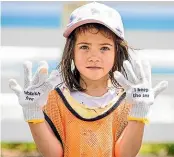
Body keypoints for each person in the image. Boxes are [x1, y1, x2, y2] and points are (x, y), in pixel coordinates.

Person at [9, 2, 168, 157]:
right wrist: (33, 113)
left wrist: (139, 112)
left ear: (117, 52)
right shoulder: (53, 100)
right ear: (71, 51)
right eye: (84, 47)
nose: (94, 57)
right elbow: (53, 153)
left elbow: (125, 154)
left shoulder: (129, 101)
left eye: (104, 48)